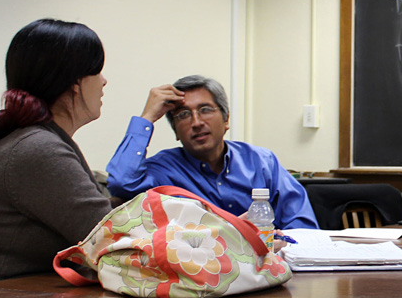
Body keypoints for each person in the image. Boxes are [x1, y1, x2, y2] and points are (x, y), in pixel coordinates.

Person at [0, 19, 113, 284]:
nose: (104, 81)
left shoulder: (38, 140)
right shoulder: (37, 149)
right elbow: (110, 235)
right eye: (98, 70)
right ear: (74, 81)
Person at [106, 75, 318, 229]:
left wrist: (284, 243)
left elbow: (303, 226)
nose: (196, 122)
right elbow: (121, 182)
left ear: (226, 120)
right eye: (183, 115)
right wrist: (147, 118)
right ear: (176, 133)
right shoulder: (164, 169)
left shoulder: (262, 162)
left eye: (205, 110)